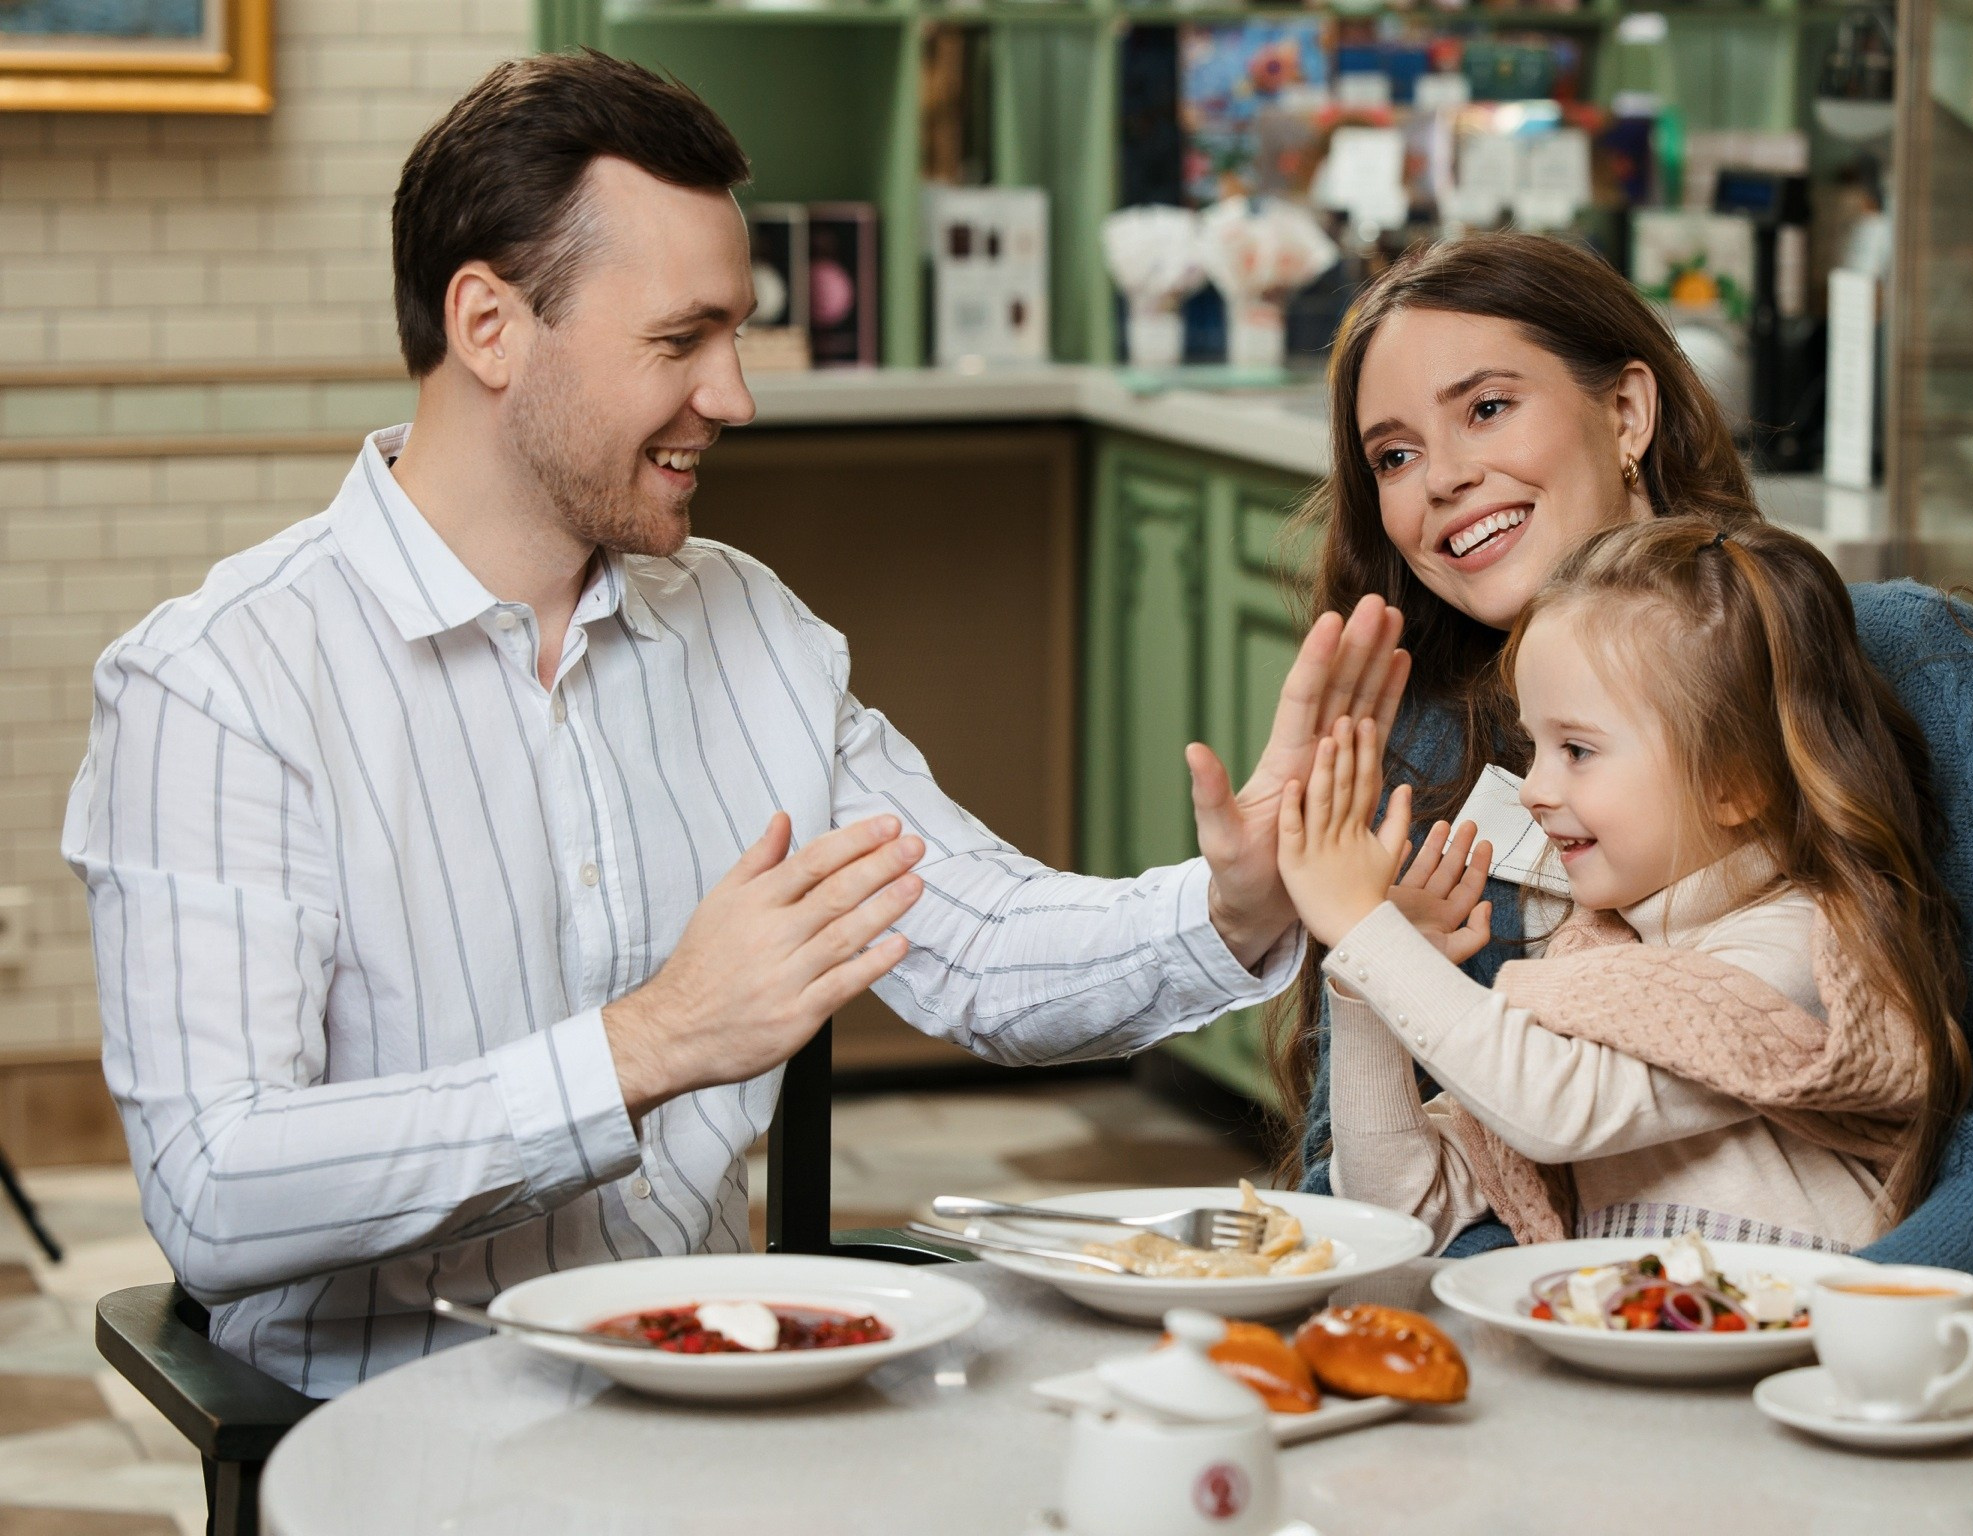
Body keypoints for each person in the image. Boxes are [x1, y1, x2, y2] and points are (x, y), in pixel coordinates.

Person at [59, 51, 1406, 1397]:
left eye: (737, 333)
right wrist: (650, 1044)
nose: (736, 395)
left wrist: (1234, 905)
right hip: (380, 1445)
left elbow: (985, 947)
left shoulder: (745, 626)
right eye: (678, 340)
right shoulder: (219, 686)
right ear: (488, 326)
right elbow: (216, 1189)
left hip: (720, 1404)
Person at [1277, 232, 1973, 1353]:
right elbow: (1360, 1170)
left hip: (1899, 1384)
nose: (1442, 476)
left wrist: (1824, 1325)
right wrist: (1593, 1323)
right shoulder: (1422, 745)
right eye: (1392, 457)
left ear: (1628, 412)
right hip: (1575, 1389)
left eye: (1487, 408)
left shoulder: (1899, 658)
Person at [1282, 516, 1971, 1257]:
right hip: (1640, 1351)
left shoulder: (1808, 947)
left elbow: (1551, 1105)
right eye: (1535, 746)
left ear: (1733, 782)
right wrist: (1366, 992)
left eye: (1577, 749)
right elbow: (1403, 1206)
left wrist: (1368, 933)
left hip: (1800, 1361)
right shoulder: (1591, 960)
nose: (1535, 789)